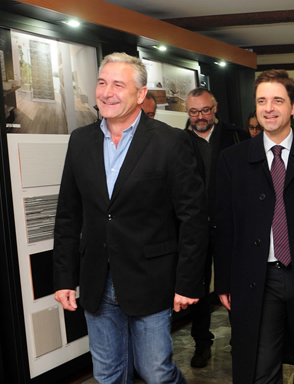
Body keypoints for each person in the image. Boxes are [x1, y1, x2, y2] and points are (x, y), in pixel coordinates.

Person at [53, 52, 208, 384]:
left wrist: (188, 282)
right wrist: (65, 277)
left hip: (151, 278)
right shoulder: (80, 141)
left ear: (140, 94)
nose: (106, 92)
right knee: (108, 374)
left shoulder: (170, 142)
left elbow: (193, 218)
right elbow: (68, 214)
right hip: (97, 279)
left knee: (156, 372)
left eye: (118, 85)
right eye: (102, 83)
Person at [215, 69, 294, 384]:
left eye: (277, 101)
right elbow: (224, 225)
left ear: (293, 105)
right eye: (261, 101)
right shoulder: (232, 159)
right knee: (259, 367)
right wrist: (224, 282)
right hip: (256, 279)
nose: (268, 108)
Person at [184, 87, 250, 368]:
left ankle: (241, 342)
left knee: (234, 285)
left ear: (215, 108)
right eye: (193, 112)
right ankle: (202, 343)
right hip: (193, 229)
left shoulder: (238, 137)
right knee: (196, 288)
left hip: (230, 227)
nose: (200, 117)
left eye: (205, 110)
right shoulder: (178, 141)